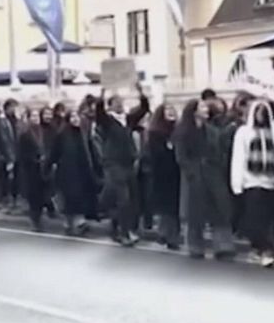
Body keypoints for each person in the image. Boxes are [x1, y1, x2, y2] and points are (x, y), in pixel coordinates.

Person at [175, 99, 234, 259]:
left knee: (220, 209)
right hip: (194, 174)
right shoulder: (183, 131)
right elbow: (181, 156)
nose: (206, 109)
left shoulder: (212, 131)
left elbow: (220, 151)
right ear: (194, 111)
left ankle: (223, 245)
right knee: (195, 212)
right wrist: (191, 172)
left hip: (213, 173)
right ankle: (195, 245)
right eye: (202, 107)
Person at [95, 89, 151, 246]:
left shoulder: (128, 120)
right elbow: (99, 112)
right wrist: (102, 95)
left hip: (128, 163)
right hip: (113, 163)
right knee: (123, 198)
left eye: (122, 102)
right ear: (111, 106)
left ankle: (120, 227)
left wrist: (141, 92)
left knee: (132, 198)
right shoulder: (107, 121)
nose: (120, 105)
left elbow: (144, 109)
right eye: (116, 102)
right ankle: (124, 233)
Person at [231, 100, 274, 267]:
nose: (262, 114)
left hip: (270, 181)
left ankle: (259, 249)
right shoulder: (244, 132)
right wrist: (237, 184)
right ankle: (263, 249)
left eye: (264, 111)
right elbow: (239, 158)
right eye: (258, 111)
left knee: (266, 218)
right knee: (254, 217)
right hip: (251, 181)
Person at [48, 110, 99, 236]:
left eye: (77, 116)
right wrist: (48, 166)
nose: (75, 119)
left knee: (79, 197)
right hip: (67, 172)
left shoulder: (83, 133)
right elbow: (54, 152)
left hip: (82, 171)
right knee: (69, 198)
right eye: (72, 117)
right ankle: (69, 223)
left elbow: (91, 151)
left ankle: (79, 222)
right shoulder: (62, 134)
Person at [146, 104, 181, 249]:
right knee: (168, 206)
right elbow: (155, 154)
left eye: (172, 109)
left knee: (174, 206)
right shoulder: (155, 132)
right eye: (167, 110)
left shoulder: (178, 130)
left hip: (176, 171)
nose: (171, 112)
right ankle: (169, 236)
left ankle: (166, 234)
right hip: (162, 173)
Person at [17, 108, 49, 232]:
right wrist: (34, 159)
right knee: (33, 196)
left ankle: (39, 217)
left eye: (37, 116)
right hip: (30, 169)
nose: (36, 118)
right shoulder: (25, 133)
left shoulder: (41, 131)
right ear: (29, 118)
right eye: (33, 116)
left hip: (41, 168)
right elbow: (21, 153)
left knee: (41, 195)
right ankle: (35, 220)